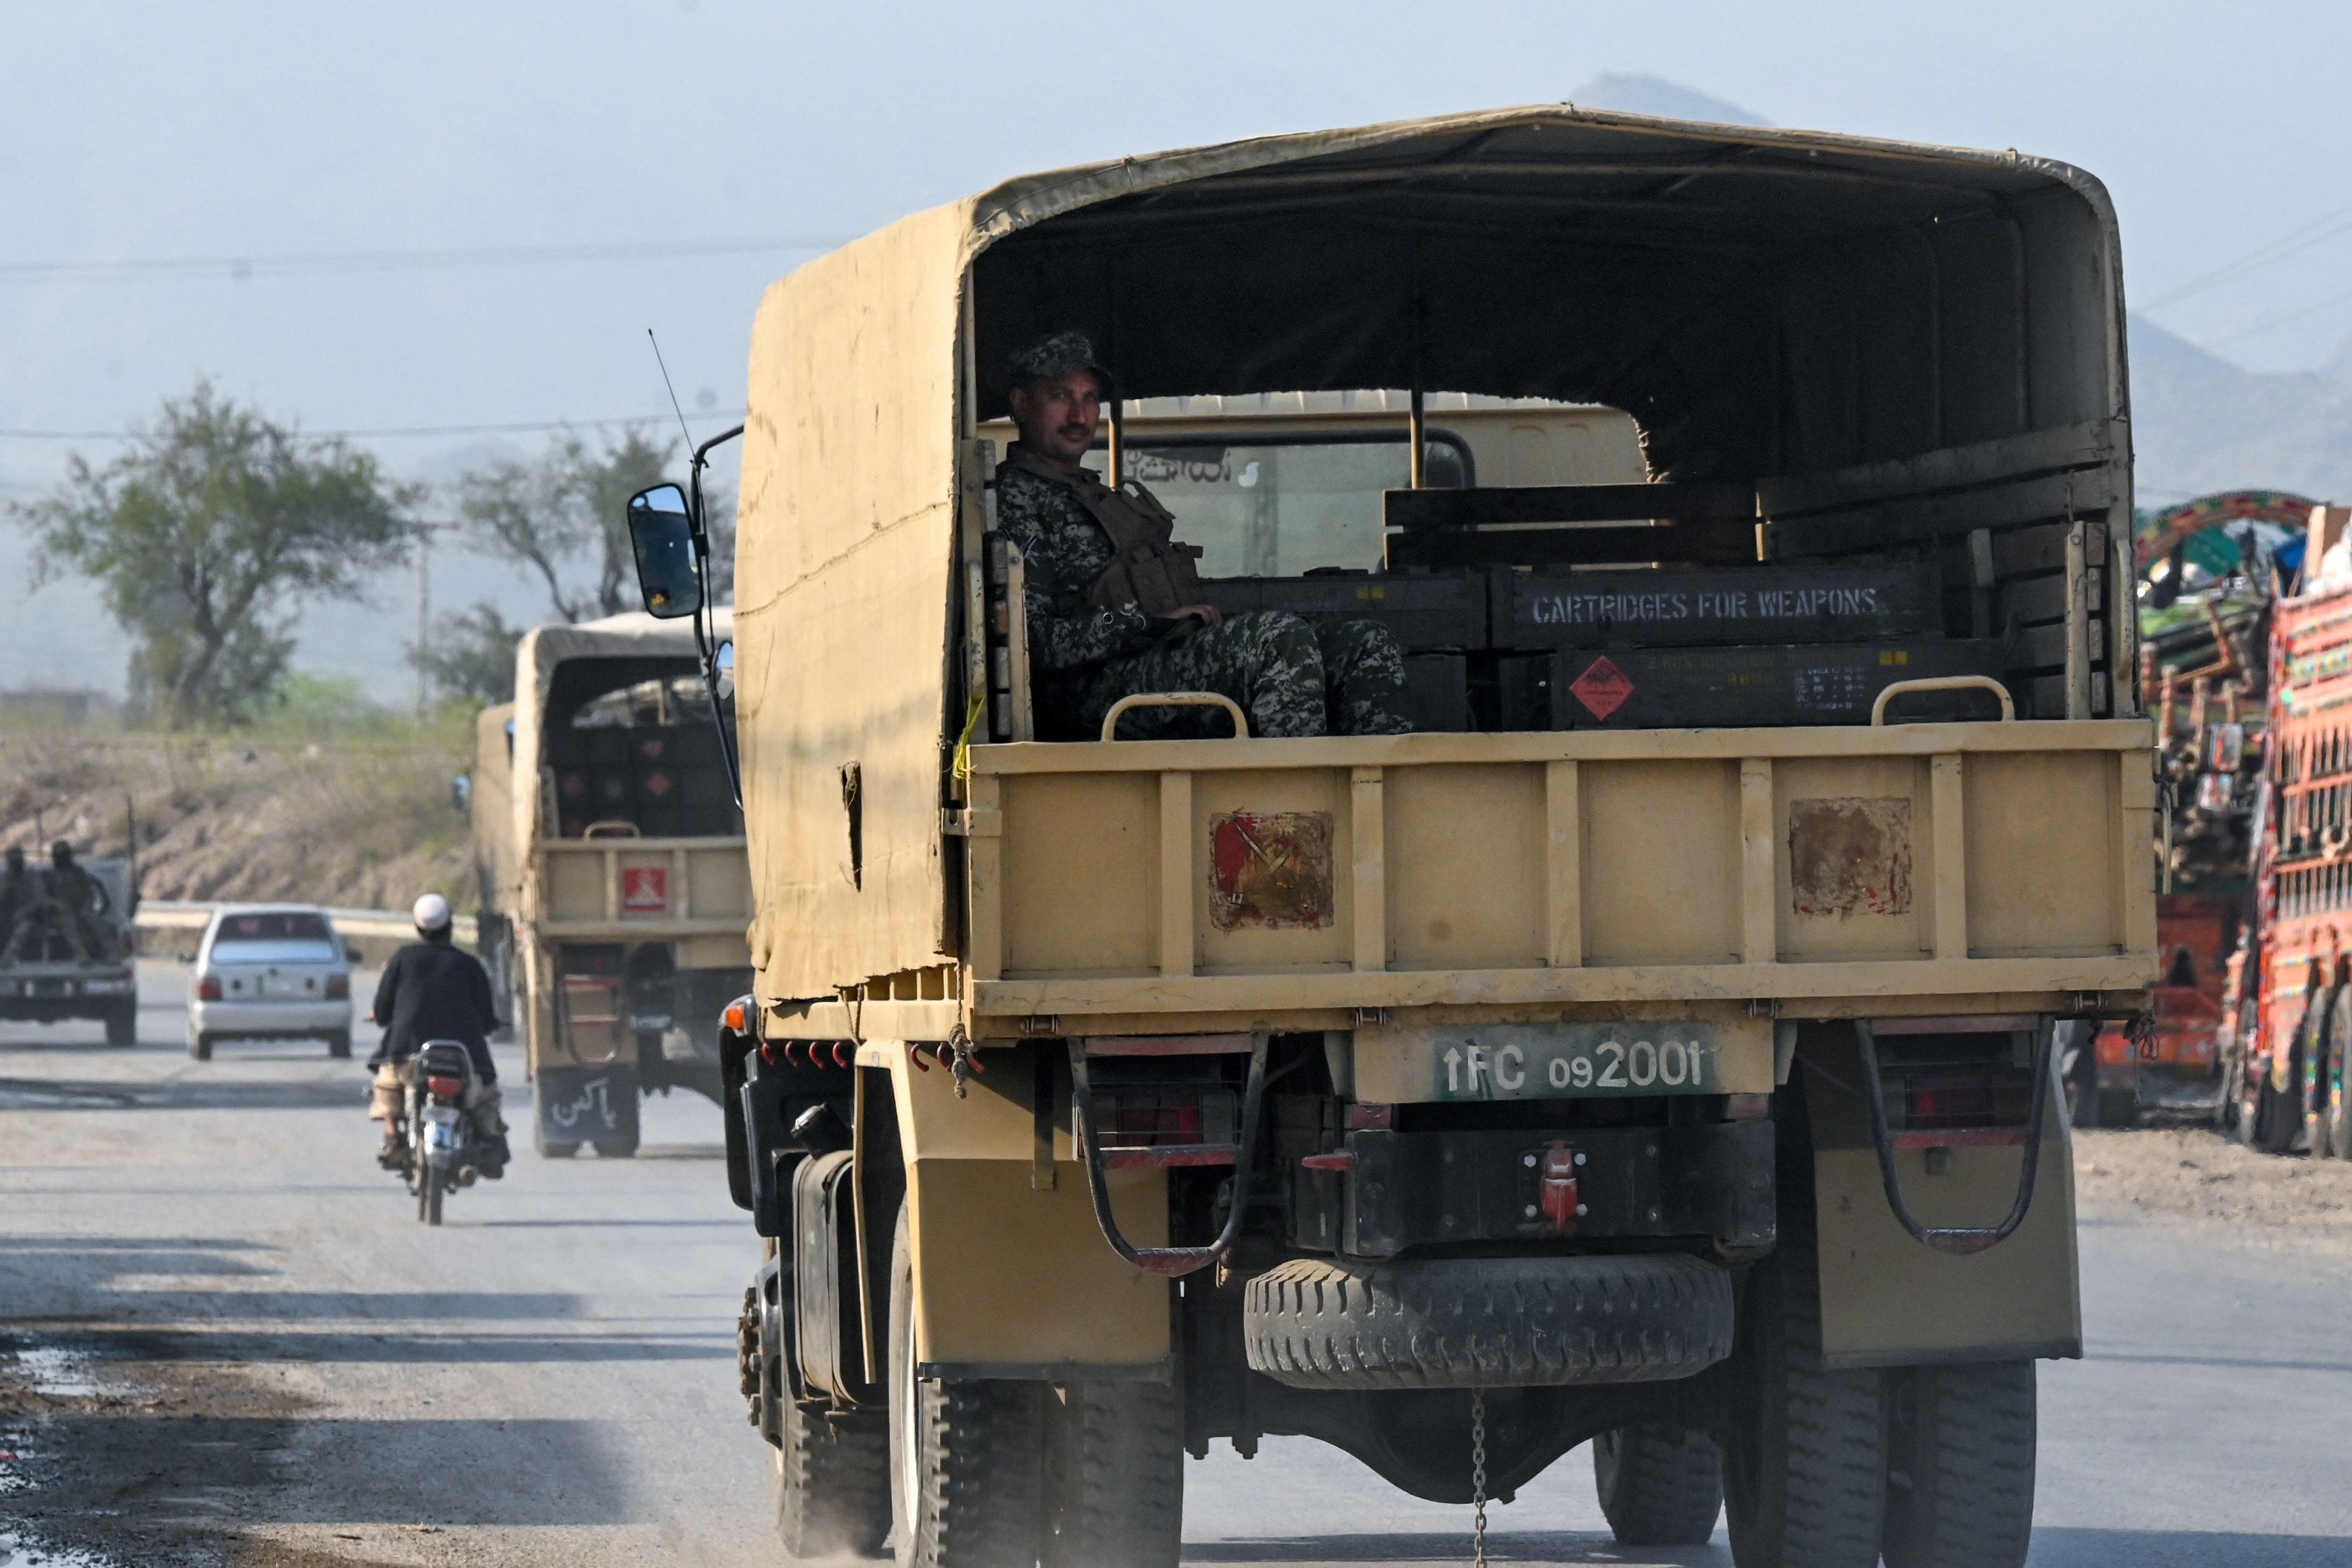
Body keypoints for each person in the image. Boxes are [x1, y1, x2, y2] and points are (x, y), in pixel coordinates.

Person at [993, 331, 1412, 741]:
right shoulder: (1016, 500)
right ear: (1021, 404)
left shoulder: (1089, 490)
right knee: (1278, 640)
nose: (1079, 416)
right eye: (1060, 397)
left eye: (1089, 399)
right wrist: (1145, 623)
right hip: (1089, 691)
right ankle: (1295, 787)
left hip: (1152, 659)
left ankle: (1374, 784)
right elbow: (1034, 642)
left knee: (1363, 643)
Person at [369, 893, 509, 1176]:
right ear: (450, 926)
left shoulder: (402, 959)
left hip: (408, 1055)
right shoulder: (469, 964)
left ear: (417, 927)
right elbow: (486, 1018)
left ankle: (393, 1134)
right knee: (486, 1096)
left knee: (387, 1084)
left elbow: (382, 1013)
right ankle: (489, 1142)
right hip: (464, 1059)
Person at [44, 841, 114, 962]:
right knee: (67, 922)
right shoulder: (49, 876)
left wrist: (87, 907)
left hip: (81, 910)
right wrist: (56, 904)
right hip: (59, 914)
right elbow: (41, 897)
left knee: (94, 919)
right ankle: (81, 954)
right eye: (60, 856)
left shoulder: (79, 873)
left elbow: (89, 892)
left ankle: (111, 952)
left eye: (64, 855)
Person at [0, 847, 31, 960]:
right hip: (8, 913)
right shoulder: (5, 878)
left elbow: (39, 898)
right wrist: (7, 882)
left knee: (23, 928)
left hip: (30, 915)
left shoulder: (30, 877)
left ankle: (7, 958)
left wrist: (24, 911)